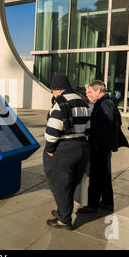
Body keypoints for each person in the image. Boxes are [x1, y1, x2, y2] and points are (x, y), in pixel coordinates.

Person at [43, 74, 91, 230]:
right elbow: (88, 127)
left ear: (57, 89)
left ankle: (64, 220)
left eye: (53, 91)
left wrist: (50, 150)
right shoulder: (83, 101)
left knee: (59, 184)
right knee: (70, 183)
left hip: (64, 149)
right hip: (81, 146)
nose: (53, 94)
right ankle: (63, 211)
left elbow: (52, 131)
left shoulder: (60, 103)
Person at [78, 81, 129, 214]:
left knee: (95, 176)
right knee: (104, 175)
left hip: (99, 147)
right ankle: (107, 202)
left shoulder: (105, 104)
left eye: (90, 92)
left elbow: (106, 127)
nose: (87, 94)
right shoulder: (106, 102)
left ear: (99, 91)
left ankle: (92, 205)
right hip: (102, 146)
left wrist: (95, 144)